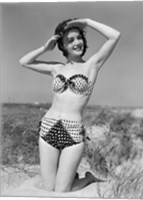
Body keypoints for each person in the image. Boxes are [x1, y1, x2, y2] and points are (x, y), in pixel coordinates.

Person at [19, 18, 120, 192]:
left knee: (62, 191)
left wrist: (86, 21)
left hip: (73, 132)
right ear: (63, 46)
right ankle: (70, 176)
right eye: (70, 40)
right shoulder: (56, 68)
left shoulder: (92, 65)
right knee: (49, 187)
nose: (77, 42)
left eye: (79, 37)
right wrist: (45, 48)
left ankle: (88, 178)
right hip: (48, 128)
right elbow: (24, 61)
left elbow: (114, 36)